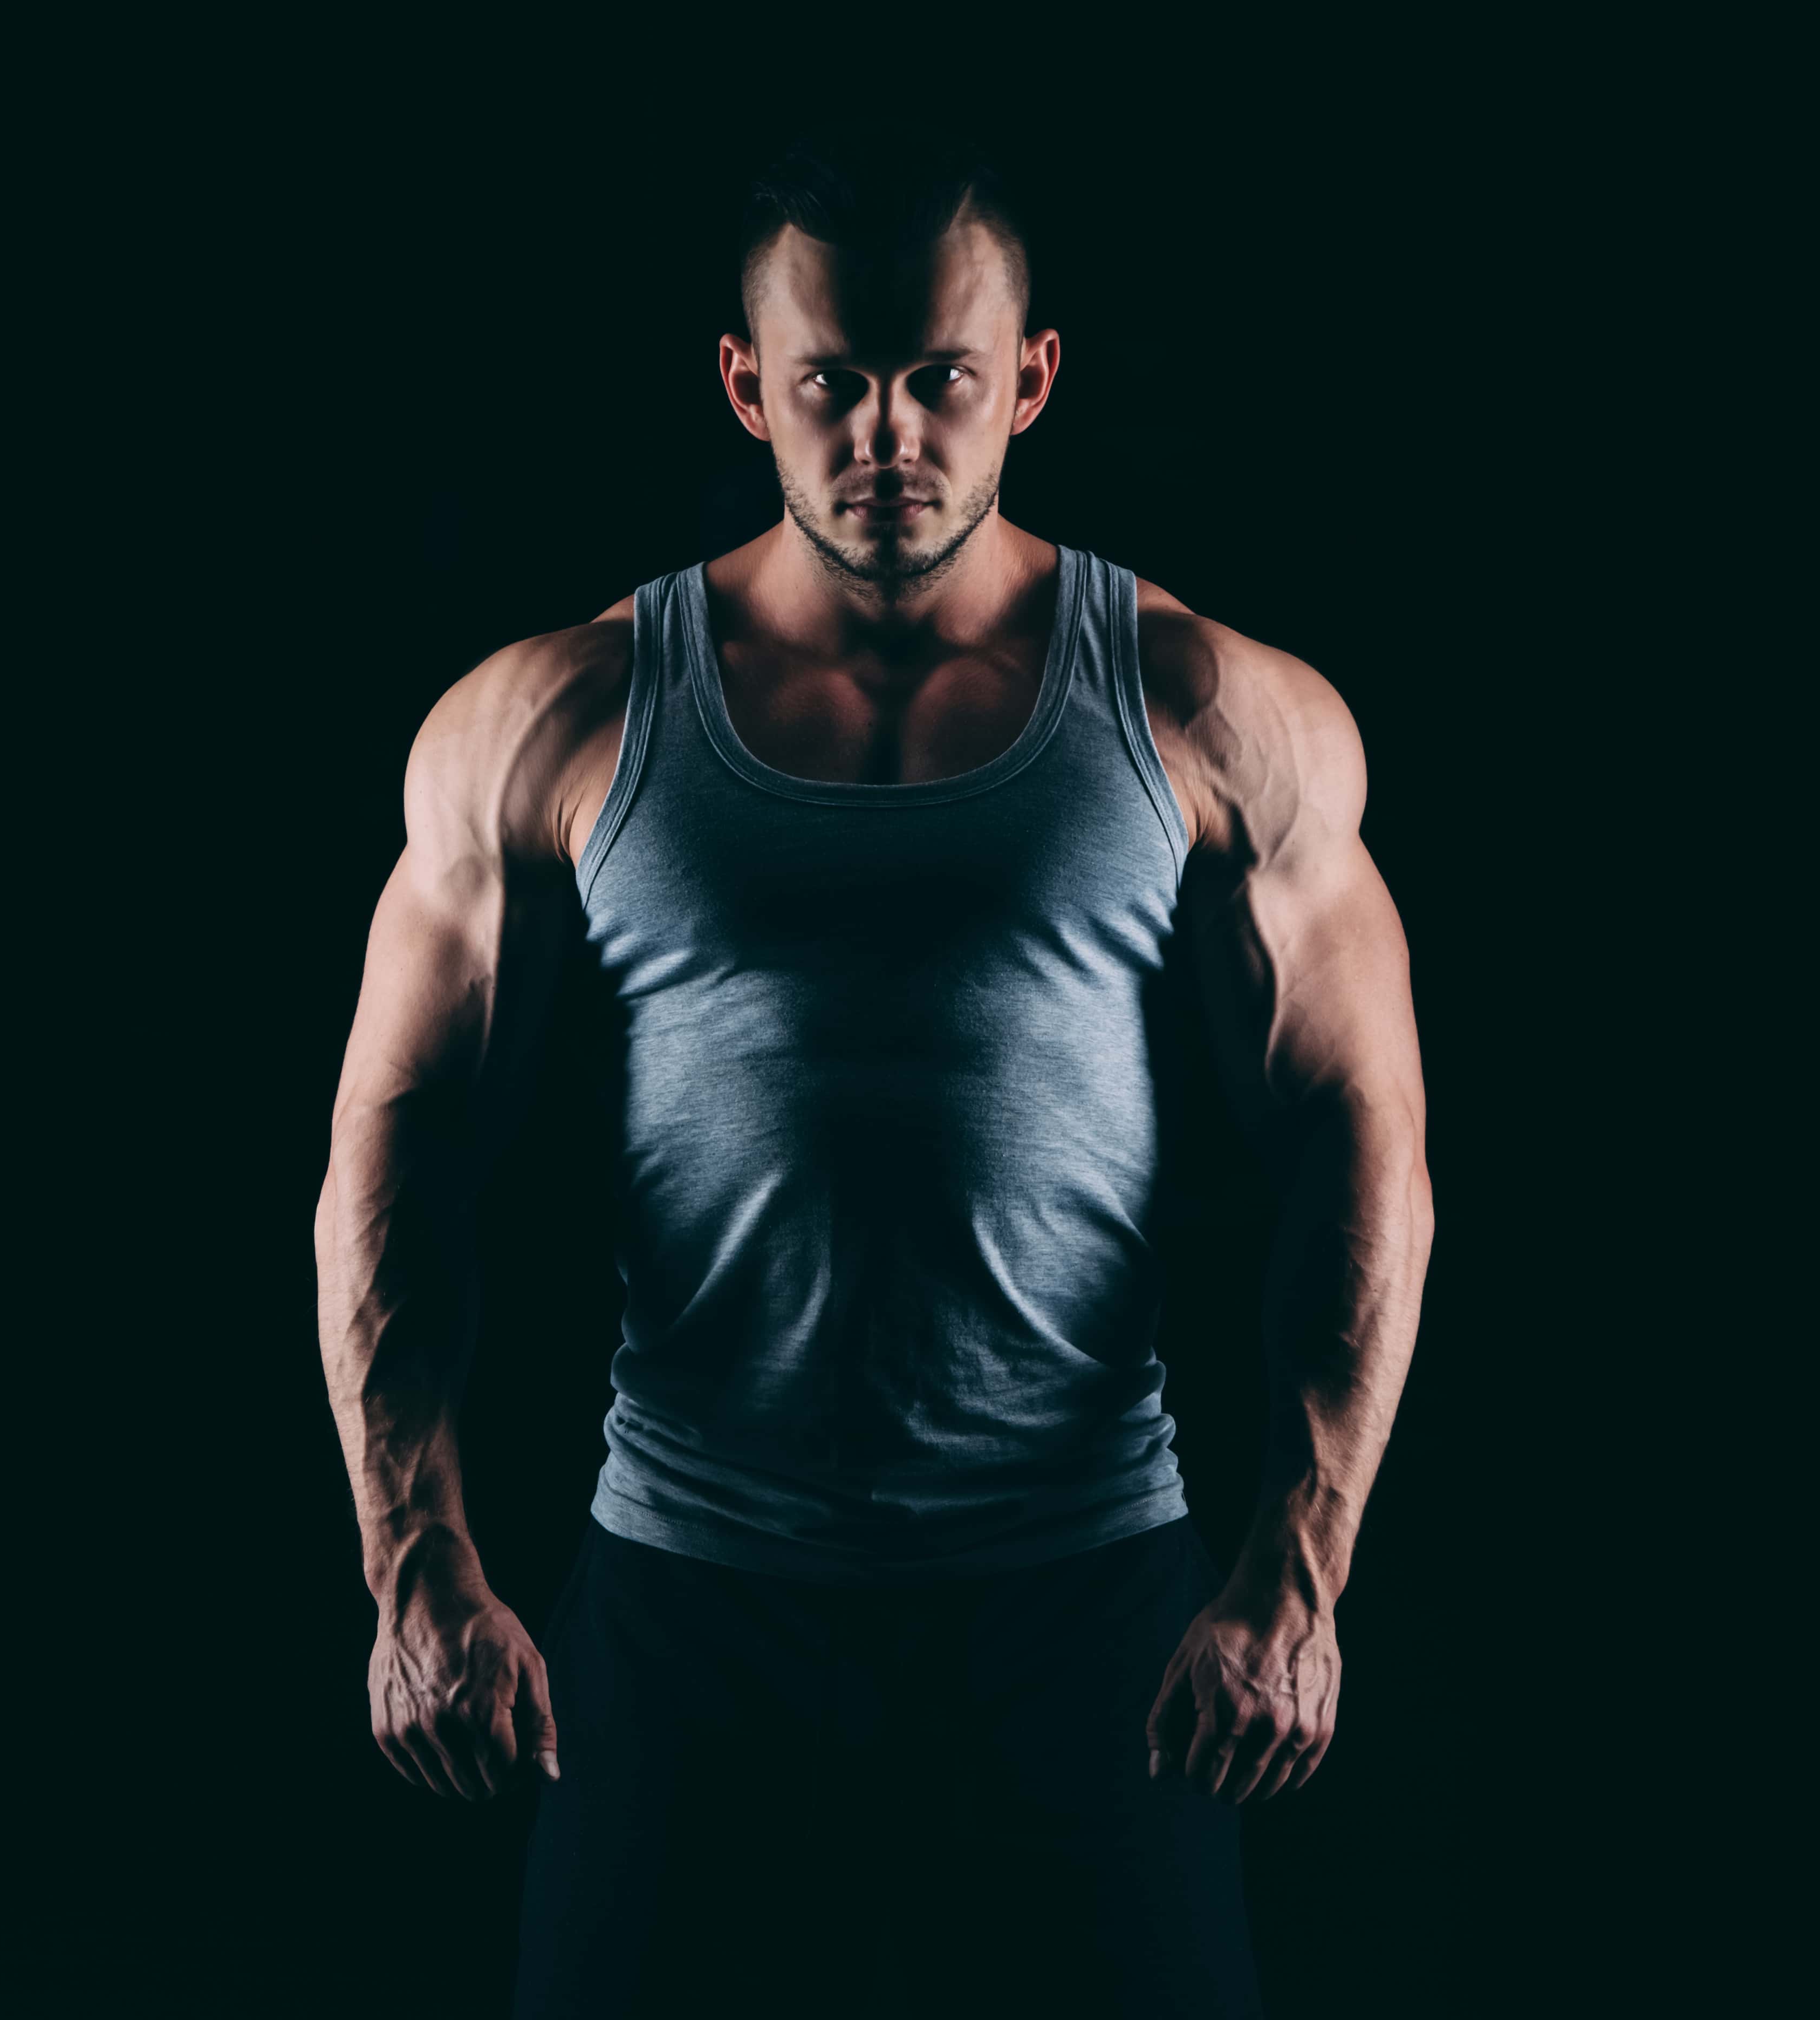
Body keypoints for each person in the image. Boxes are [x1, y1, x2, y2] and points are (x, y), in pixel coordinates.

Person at [312, 133, 1434, 2017]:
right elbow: (395, 1151)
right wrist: (415, 1558)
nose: (889, 436)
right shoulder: (556, 719)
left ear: (1034, 380)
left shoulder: (1214, 711)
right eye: (832, 381)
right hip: (691, 1599)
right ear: (747, 383)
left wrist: (1295, 1576)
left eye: (943, 379)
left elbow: (1363, 1144)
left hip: (1086, 1604)